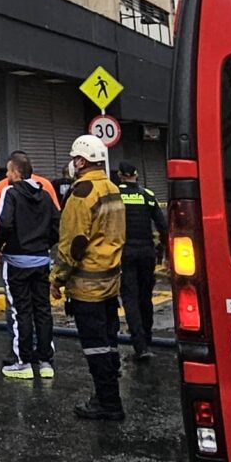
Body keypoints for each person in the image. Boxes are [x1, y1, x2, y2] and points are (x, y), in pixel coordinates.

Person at [56, 135, 128, 421]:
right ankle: (107, 395)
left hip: (88, 286)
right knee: (109, 341)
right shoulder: (111, 188)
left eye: (75, 159)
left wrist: (58, 278)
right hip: (111, 281)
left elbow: (73, 243)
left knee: (95, 345)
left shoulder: (82, 193)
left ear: (81, 161)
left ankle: (108, 402)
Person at [0, 150, 59, 381]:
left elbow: (4, 224)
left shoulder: (10, 193)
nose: (7, 175)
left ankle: (23, 362)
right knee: (43, 310)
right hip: (41, 260)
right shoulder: (46, 195)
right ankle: (46, 361)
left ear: (17, 173)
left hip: (17, 261)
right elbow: (56, 227)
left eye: (9, 171)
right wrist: (43, 246)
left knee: (21, 311)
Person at [113, 161, 167, 363]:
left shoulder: (115, 195)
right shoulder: (148, 195)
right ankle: (148, 339)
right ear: (135, 174)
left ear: (119, 175)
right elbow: (163, 226)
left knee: (130, 298)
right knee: (145, 297)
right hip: (147, 253)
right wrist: (163, 252)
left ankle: (140, 345)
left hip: (125, 252)